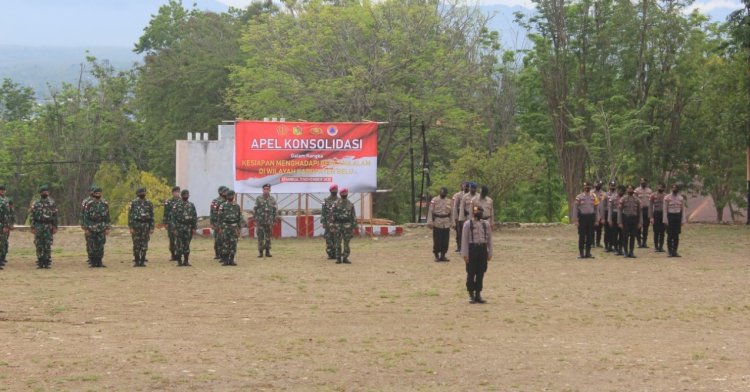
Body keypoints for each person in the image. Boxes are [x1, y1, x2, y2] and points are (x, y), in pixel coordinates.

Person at [461, 205, 492, 304]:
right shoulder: (467, 224)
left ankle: (478, 293)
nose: (477, 214)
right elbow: (464, 240)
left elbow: (489, 239)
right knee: (471, 272)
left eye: (479, 212)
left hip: (482, 249)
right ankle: (471, 294)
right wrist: (465, 254)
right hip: (472, 249)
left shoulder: (486, 224)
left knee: (481, 272)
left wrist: (489, 252)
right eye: (476, 212)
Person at [29, 185, 58, 269]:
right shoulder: (36, 203)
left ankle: (47, 261)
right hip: (38, 225)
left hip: (48, 225)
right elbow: (32, 215)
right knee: (39, 243)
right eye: (44, 192)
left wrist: (55, 226)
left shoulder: (52, 203)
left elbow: (55, 215)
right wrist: (32, 227)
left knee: (48, 243)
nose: (45, 193)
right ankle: (40, 260)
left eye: (47, 191)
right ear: (40, 193)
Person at [82, 187, 111, 268]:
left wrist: (108, 228)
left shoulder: (104, 203)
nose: (98, 195)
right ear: (94, 194)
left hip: (101, 227)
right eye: (97, 193)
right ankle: (93, 262)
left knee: (100, 245)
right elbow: (85, 217)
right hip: (91, 227)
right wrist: (86, 228)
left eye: (99, 193)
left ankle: (99, 262)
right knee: (92, 245)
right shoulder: (89, 204)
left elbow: (108, 217)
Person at [128, 188, 155, 267]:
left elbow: (152, 216)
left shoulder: (149, 203)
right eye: (141, 192)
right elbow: (130, 216)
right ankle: (137, 261)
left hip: (146, 225)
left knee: (144, 244)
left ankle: (142, 260)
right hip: (136, 225)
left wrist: (152, 227)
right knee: (136, 244)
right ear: (137, 194)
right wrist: (131, 227)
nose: (143, 194)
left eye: (144, 192)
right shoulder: (133, 203)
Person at [426, 187, 454, 262]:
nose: (443, 194)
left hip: (446, 223)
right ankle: (436, 255)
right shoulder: (434, 200)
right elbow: (430, 211)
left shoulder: (449, 201)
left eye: (444, 193)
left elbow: (452, 212)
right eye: (441, 193)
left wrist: (452, 222)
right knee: (437, 240)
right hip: (437, 222)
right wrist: (430, 222)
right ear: (439, 193)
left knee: (445, 240)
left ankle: (443, 255)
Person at [171, 189, 197, 266]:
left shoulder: (191, 205)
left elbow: (194, 217)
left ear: (188, 196)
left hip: (188, 227)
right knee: (179, 244)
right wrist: (174, 228)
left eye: (187, 195)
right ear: (181, 196)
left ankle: (186, 261)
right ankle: (179, 261)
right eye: (184, 195)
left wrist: (194, 228)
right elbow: (173, 217)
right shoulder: (177, 205)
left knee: (187, 244)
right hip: (179, 227)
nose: (186, 196)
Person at [330, 187, 356, 264]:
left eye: (345, 194)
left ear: (347, 194)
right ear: (340, 194)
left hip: (347, 225)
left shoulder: (350, 204)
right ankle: (338, 258)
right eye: (342, 194)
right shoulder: (335, 204)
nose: (344, 195)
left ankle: (345, 257)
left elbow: (353, 216)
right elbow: (332, 215)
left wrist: (354, 227)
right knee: (338, 242)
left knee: (346, 242)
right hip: (338, 225)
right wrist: (331, 226)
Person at [574, 181, 599, 259]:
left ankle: (588, 253)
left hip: (591, 218)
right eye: (585, 186)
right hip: (582, 218)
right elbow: (575, 209)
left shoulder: (594, 196)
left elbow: (596, 209)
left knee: (590, 236)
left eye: (588, 186)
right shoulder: (579, 197)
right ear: (583, 187)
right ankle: (581, 253)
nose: (587, 187)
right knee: (582, 236)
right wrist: (576, 220)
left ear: (590, 187)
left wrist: (597, 220)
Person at [217, 190, 242, 266]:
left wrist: (238, 229)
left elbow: (239, 218)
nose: (231, 197)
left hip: (234, 227)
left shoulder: (237, 206)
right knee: (225, 244)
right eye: (229, 196)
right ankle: (225, 260)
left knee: (233, 244)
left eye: (232, 196)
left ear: (233, 196)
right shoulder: (223, 205)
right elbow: (220, 217)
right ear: (227, 197)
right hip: (225, 227)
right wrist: (220, 228)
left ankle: (231, 260)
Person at [253, 183, 277, 258]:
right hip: (260, 221)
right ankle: (260, 252)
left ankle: (267, 251)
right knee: (260, 237)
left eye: (267, 189)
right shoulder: (258, 198)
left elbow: (275, 210)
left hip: (269, 221)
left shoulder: (272, 199)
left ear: (270, 190)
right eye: (265, 189)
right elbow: (255, 209)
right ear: (262, 190)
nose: (266, 190)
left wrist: (274, 219)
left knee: (268, 237)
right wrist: (255, 219)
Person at [618, 185, 642, 258]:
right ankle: (625, 251)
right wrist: (620, 222)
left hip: (634, 219)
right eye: (628, 189)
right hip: (625, 219)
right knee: (625, 236)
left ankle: (631, 252)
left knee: (632, 236)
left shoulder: (637, 200)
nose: (630, 190)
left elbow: (639, 212)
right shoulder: (623, 199)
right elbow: (620, 211)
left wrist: (640, 222)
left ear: (633, 190)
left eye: (631, 189)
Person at [663, 184, 686, 257]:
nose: (674, 189)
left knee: (676, 235)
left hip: (677, 217)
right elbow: (665, 209)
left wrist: (683, 219)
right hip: (670, 216)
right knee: (670, 235)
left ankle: (675, 251)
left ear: (678, 189)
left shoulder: (681, 198)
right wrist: (665, 219)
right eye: (673, 188)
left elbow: (683, 210)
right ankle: (669, 251)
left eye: (675, 188)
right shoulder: (667, 198)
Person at [163, 186, 181, 262]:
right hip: (171, 224)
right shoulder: (169, 202)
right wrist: (165, 223)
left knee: (179, 240)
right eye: (176, 192)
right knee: (172, 240)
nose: (177, 193)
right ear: (173, 193)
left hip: (180, 224)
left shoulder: (181, 201)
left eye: (178, 192)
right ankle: (173, 255)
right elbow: (166, 213)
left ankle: (179, 254)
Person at [210, 186, 228, 261]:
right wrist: (213, 223)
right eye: (224, 192)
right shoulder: (215, 201)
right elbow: (213, 213)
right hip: (218, 223)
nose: (226, 193)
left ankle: (224, 254)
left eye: (227, 191)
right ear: (220, 192)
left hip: (226, 223)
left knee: (225, 239)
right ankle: (218, 254)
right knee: (218, 239)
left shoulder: (228, 201)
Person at [321, 184, 339, 259]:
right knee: (328, 238)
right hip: (328, 223)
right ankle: (330, 254)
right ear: (330, 191)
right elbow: (323, 212)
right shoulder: (326, 201)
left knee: (337, 238)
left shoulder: (340, 200)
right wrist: (323, 222)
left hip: (337, 223)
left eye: (335, 190)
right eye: (333, 190)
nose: (334, 191)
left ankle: (336, 253)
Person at [79, 185, 96, 266]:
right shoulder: (86, 201)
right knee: (89, 242)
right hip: (89, 225)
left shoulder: (100, 201)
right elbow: (82, 213)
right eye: (92, 191)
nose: (93, 193)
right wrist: (83, 224)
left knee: (98, 243)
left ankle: (96, 258)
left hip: (98, 225)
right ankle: (90, 257)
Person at [634, 177, 652, 248]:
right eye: (641, 181)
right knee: (638, 226)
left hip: (646, 210)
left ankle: (644, 242)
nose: (643, 182)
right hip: (639, 210)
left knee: (646, 227)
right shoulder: (636, 190)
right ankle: (639, 242)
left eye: (644, 181)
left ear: (646, 182)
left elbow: (651, 202)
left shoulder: (649, 191)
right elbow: (634, 199)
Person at [608, 185, 626, 256]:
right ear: (617, 190)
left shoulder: (625, 198)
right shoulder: (612, 197)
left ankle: (621, 248)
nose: (620, 192)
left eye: (622, 191)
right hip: (614, 216)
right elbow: (610, 209)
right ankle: (615, 248)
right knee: (615, 233)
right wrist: (609, 219)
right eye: (619, 190)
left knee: (622, 233)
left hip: (623, 216)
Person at [451, 182, 469, 253]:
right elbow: (455, 207)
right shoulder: (457, 195)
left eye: (466, 186)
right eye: (463, 186)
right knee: (459, 232)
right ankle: (459, 247)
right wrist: (455, 218)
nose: (465, 187)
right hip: (460, 216)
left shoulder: (472, 195)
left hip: (468, 215)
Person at [649, 183, 667, 252]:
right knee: (656, 231)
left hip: (663, 214)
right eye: (659, 186)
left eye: (661, 187)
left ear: (664, 188)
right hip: (656, 214)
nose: (660, 188)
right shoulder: (653, 195)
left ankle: (661, 247)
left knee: (662, 232)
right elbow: (650, 207)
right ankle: (656, 247)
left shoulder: (666, 196)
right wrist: (651, 217)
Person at [0, 185, 13, 269]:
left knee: (3, 242)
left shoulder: (6, 201)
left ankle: (1, 259)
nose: (2, 191)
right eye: (1, 190)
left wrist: (7, 225)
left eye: (3, 190)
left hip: (2, 224)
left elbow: (8, 214)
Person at [602, 181, 617, 252]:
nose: (612, 187)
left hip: (614, 213)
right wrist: (603, 218)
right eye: (611, 186)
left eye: (613, 186)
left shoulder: (617, 194)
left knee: (613, 231)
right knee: (607, 231)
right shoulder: (605, 195)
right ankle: (606, 246)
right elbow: (602, 206)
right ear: (609, 186)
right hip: (606, 212)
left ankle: (612, 245)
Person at [592, 181, 606, 247]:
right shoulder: (591, 192)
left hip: (601, 212)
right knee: (592, 228)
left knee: (599, 229)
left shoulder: (603, 193)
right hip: (593, 212)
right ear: (594, 184)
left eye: (599, 184)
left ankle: (598, 242)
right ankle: (592, 242)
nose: (598, 185)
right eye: (597, 184)